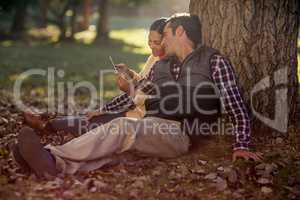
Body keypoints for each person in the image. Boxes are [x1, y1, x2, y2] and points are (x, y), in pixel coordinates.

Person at [14, 13, 262, 178]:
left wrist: (241, 145)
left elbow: (236, 106)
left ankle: (51, 157)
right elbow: (144, 95)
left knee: (122, 127)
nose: (162, 41)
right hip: (150, 126)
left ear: (180, 32)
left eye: (165, 34)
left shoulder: (214, 62)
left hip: (182, 133)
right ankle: (50, 165)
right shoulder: (162, 67)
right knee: (114, 146)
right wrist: (120, 97)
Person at [22, 18, 168, 137]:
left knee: (94, 120)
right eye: (150, 41)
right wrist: (129, 73)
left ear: (166, 41)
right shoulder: (154, 58)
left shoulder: (165, 65)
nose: (151, 46)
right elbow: (142, 82)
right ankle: (49, 119)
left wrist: (105, 109)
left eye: (156, 42)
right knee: (90, 115)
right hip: (134, 106)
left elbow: (143, 95)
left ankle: (46, 126)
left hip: (140, 117)